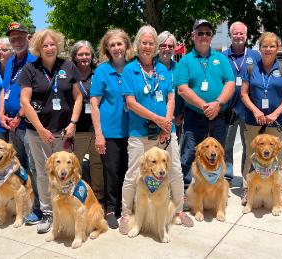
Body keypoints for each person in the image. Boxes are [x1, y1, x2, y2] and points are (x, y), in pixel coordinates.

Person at [119, 25, 193, 235]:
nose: (147, 46)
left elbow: (171, 97)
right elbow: (131, 103)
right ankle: (126, 214)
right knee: (133, 174)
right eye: (144, 42)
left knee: (175, 171)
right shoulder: (129, 70)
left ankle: (178, 211)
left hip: (165, 133)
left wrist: (166, 123)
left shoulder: (162, 69)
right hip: (139, 133)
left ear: (156, 47)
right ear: (137, 45)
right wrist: (157, 119)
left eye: (151, 43)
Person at [19, 29, 82, 234]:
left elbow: (79, 97)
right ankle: (47, 212)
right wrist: (40, 128)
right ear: (38, 47)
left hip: (64, 131)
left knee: (67, 172)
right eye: (45, 45)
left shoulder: (68, 66)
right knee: (44, 173)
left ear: (58, 45)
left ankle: (66, 208)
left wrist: (73, 122)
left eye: (52, 44)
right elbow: (25, 102)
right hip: (38, 133)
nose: (49, 48)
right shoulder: (30, 69)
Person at [175, 19, 235, 189]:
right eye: (200, 33)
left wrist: (217, 103)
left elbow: (230, 83)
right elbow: (182, 89)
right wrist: (204, 105)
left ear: (211, 37)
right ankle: (185, 190)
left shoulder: (221, 59)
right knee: (188, 154)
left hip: (218, 115)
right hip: (194, 116)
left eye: (207, 33)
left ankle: (215, 189)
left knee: (217, 153)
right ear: (193, 35)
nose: (204, 36)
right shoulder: (185, 61)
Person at [240, 32, 282, 205]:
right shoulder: (250, 67)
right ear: (260, 48)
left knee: (276, 157)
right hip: (253, 120)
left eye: (272, 46)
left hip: (275, 122)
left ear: (277, 48)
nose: (268, 49)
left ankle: (277, 189)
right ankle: (247, 189)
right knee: (251, 156)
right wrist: (256, 111)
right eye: (265, 46)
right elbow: (243, 93)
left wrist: (276, 113)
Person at [90, 28, 133, 228]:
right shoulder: (101, 71)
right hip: (111, 132)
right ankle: (110, 209)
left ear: (126, 46)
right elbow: (94, 103)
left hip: (133, 130)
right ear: (107, 48)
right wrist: (99, 134)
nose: (117, 48)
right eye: (112, 45)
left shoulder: (134, 68)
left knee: (129, 172)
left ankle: (126, 208)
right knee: (112, 172)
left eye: (120, 44)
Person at [0, 22, 41, 225]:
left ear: (28, 37)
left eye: (20, 36)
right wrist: (1, 113)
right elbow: (4, 90)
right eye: (12, 38)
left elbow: (34, 95)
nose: (16, 40)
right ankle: (23, 204)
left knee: (33, 167)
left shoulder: (35, 61)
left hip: (27, 125)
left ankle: (39, 207)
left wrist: (20, 116)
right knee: (18, 167)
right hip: (10, 124)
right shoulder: (10, 62)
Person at [222, 22, 261, 186]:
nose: (238, 36)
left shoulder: (256, 55)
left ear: (246, 35)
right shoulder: (222, 56)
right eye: (235, 34)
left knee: (248, 146)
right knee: (227, 145)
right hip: (228, 109)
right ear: (230, 36)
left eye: (241, 34)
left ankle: (247, 177)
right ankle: (227, 177)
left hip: (248, 109)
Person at [69, 40, 104, 201]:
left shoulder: (98, 72)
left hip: (97, 127)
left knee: (97, 164)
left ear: (92, 55)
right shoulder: (69, 74)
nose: (84, 57)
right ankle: (76, 196)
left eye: (87, 53)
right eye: (80, 54)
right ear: (75, 56)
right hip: (78, 128)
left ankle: (98, 197)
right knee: (75, 164)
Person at [156, 31, 184, 137]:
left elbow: (185, 93)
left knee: (174, 152)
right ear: (158, 47)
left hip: (176, 121)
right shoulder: (150, 67)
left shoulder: (179, 68)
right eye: (163, 45)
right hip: (156, 120)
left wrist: (181, 115)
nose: (167, 48)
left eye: (170, 46)